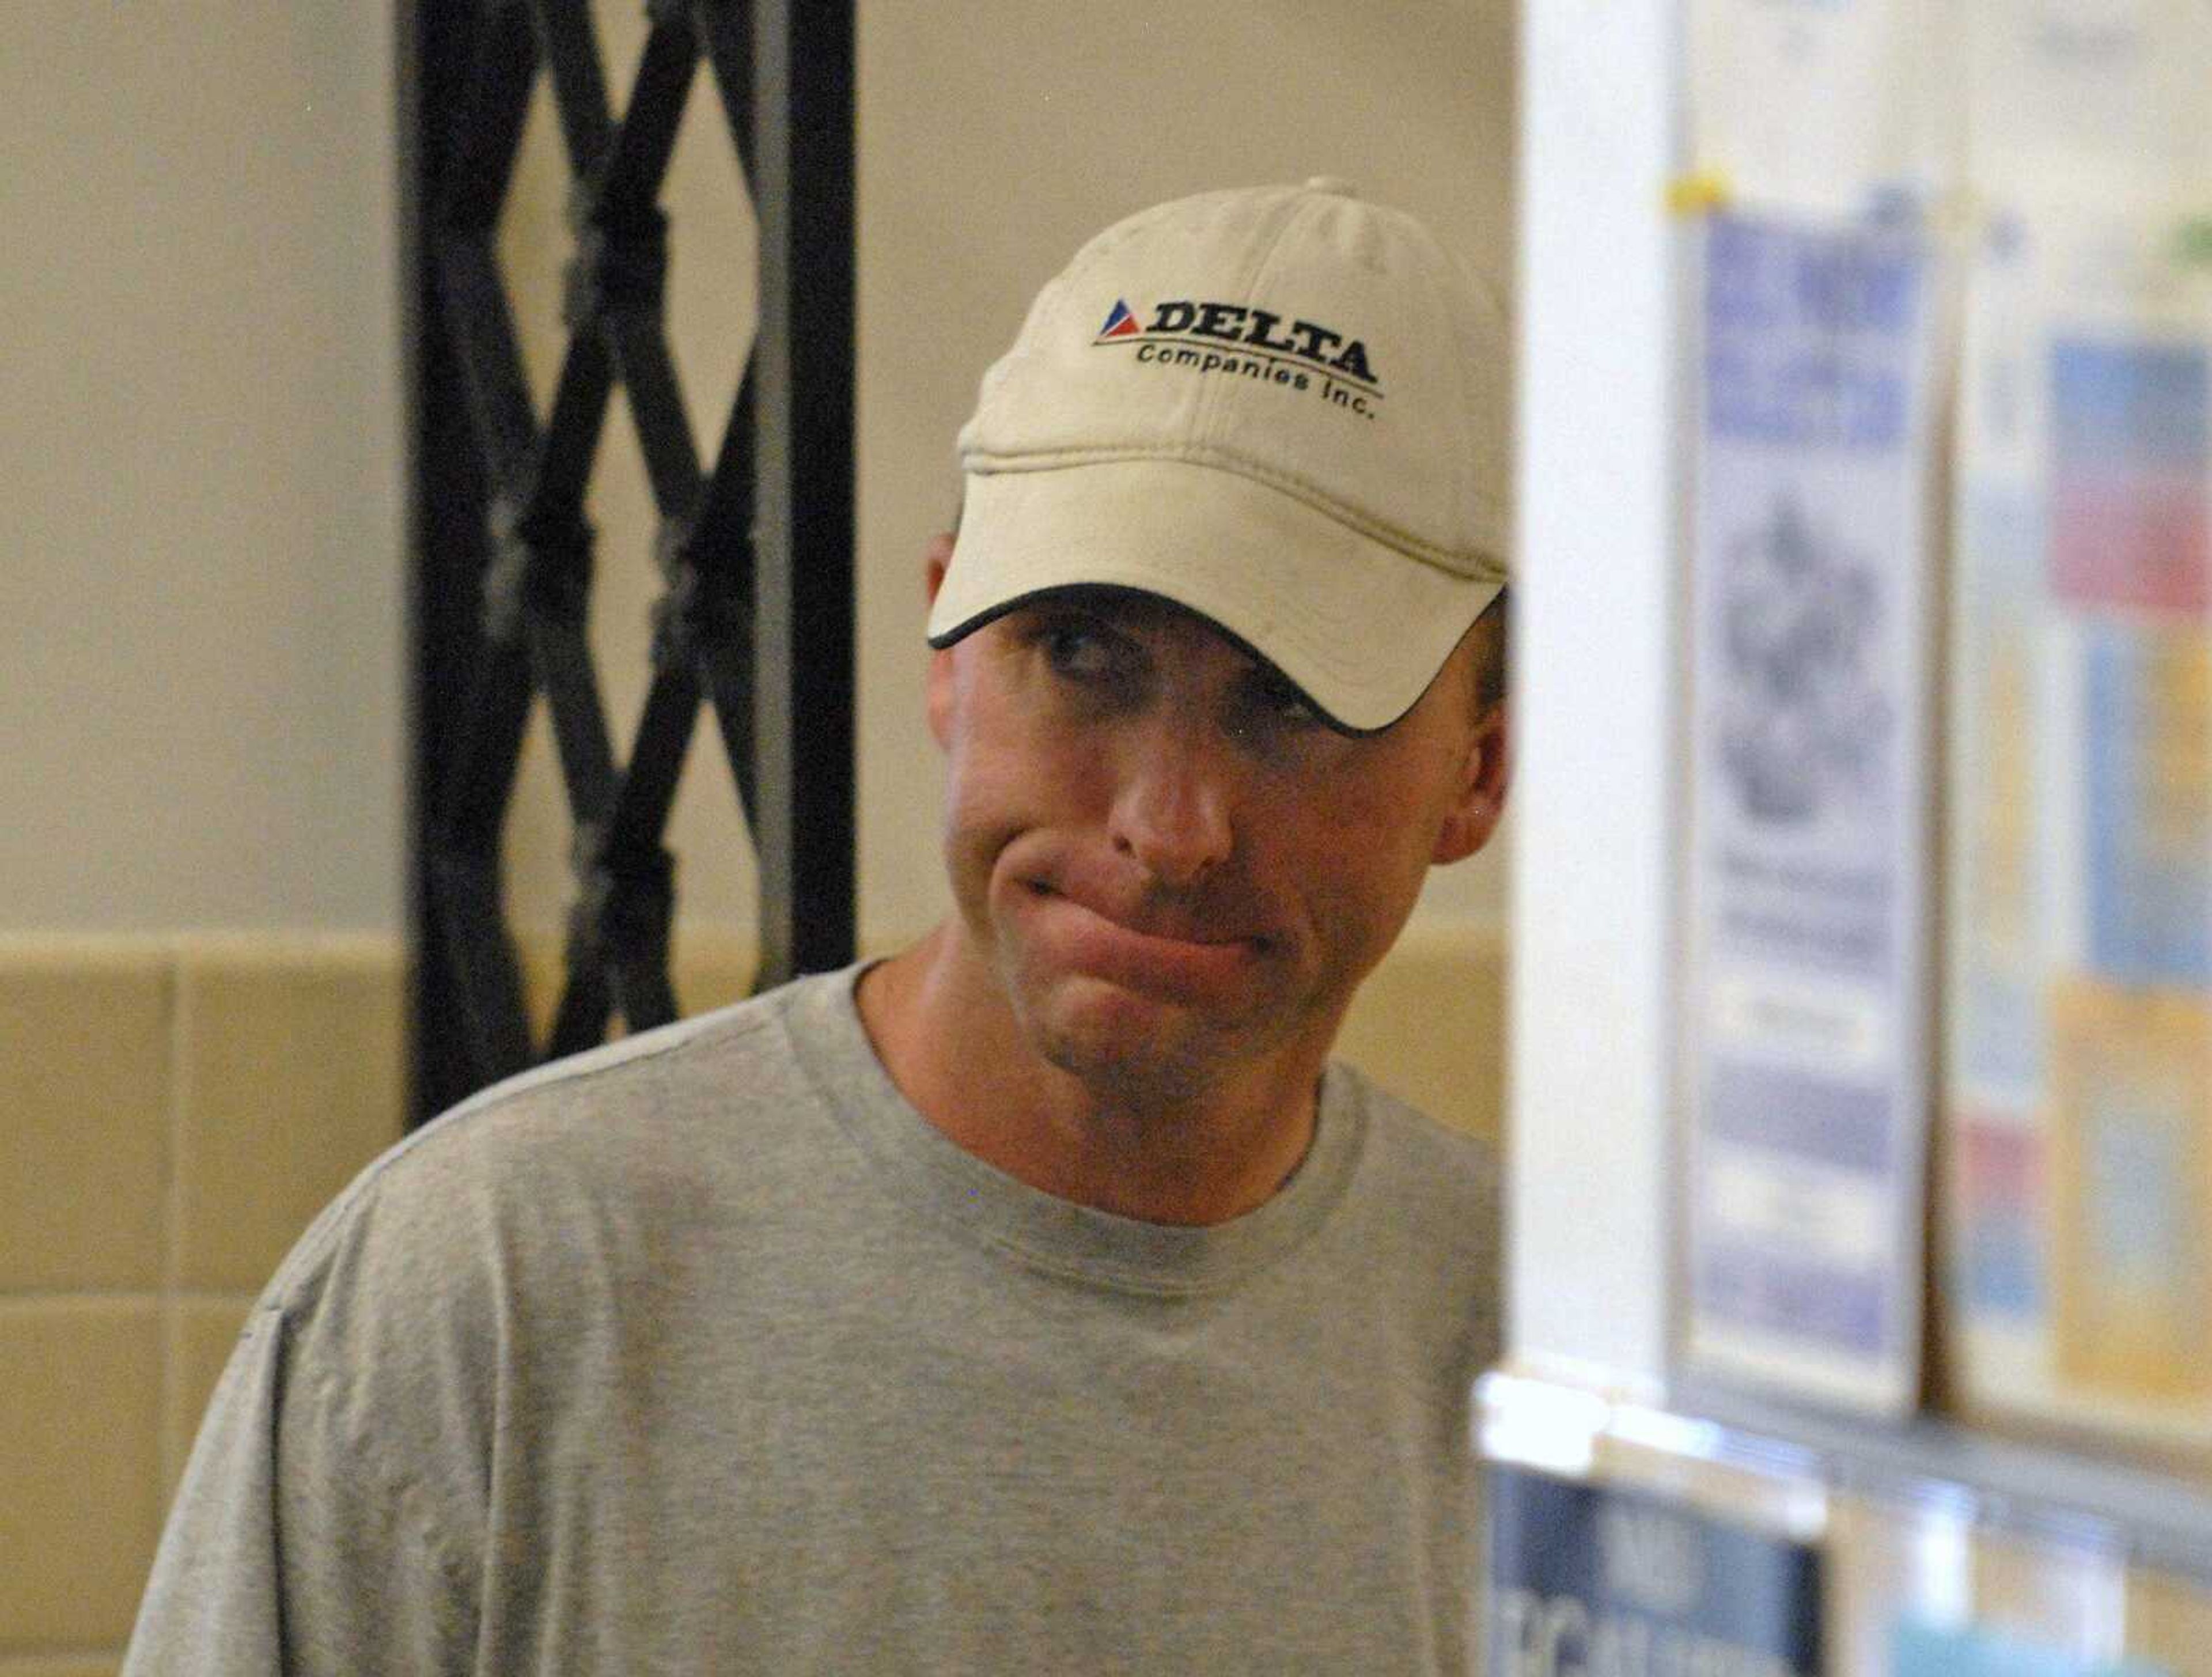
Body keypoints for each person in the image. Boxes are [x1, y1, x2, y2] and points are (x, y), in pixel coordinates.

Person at [123, 177, 1513, 1674]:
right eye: (1086, 654)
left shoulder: (1551, 1393)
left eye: (1293, 705)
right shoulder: (499, 1296)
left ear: (1479, 770)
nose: (1169, 827)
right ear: (948, 652)